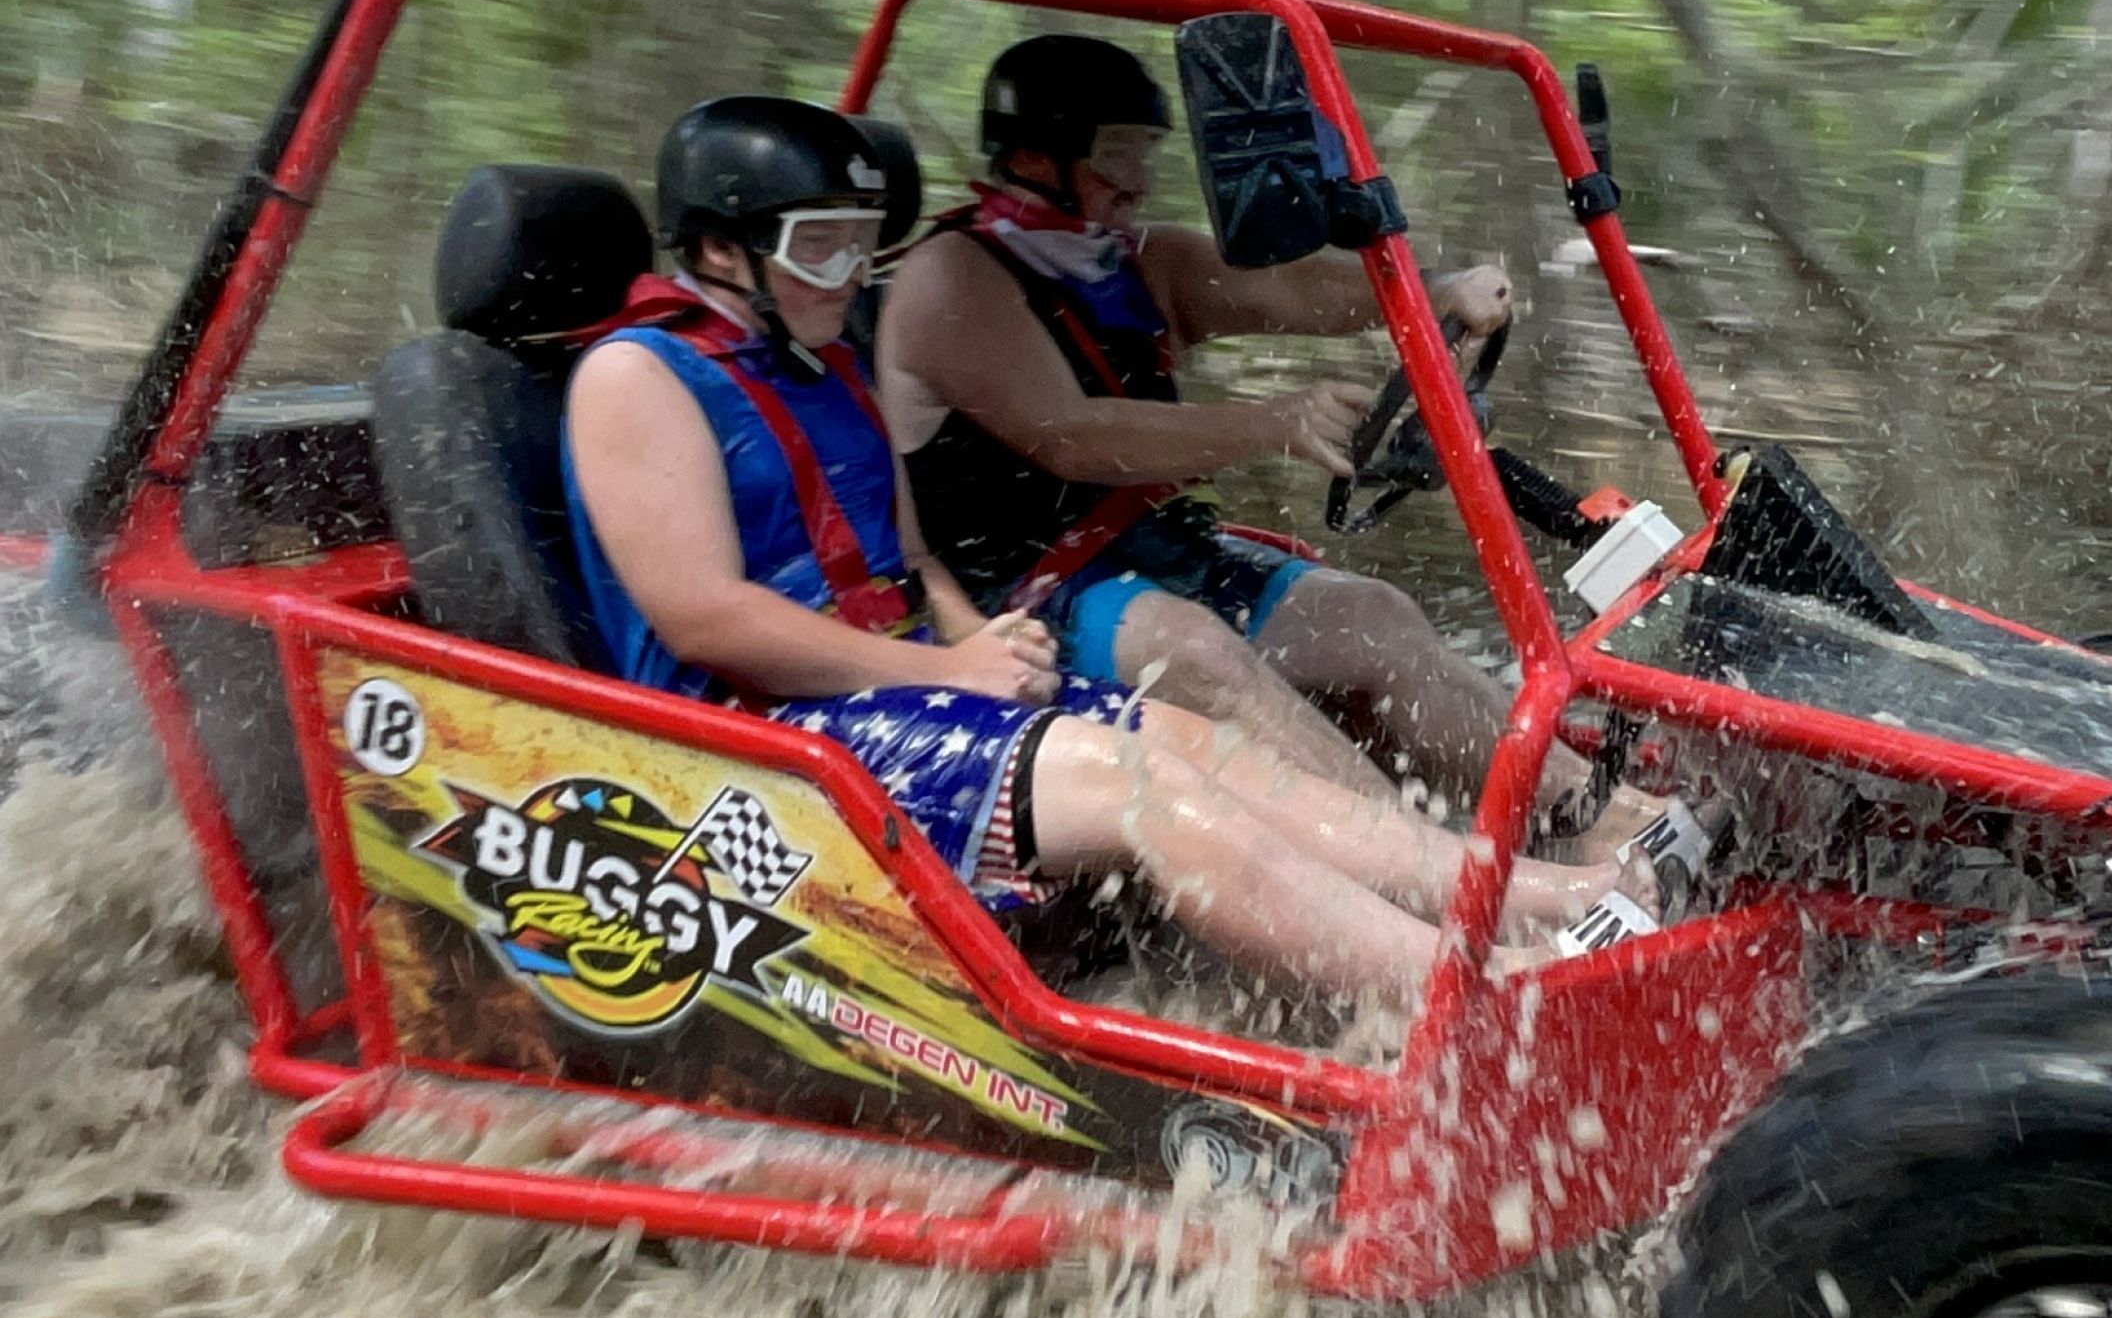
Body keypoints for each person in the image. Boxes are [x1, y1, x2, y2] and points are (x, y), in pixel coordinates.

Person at [561, 94, 1648, 1008]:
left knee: (1195, 744)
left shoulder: (818, 362)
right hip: (747, 748)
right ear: (716, 248)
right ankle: (1479, 988)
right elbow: (703, 616)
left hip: (884, 698)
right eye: (818, 245)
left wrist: (977, 645)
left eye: (859, 238)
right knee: (1138, 784)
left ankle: (1555, 894)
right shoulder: (638, 375)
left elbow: (906, 561)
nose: (848, 272)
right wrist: (944, 671)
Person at [875, 34, 1642, 836]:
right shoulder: (952, 277)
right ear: (1037, 155)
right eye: (1115, 155)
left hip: (1150, 555)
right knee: (1197, 649)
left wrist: (1434, 290)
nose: (1138, 181)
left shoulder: (1133, 261)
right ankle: (1434, 881)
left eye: (1146, 154)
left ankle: (1605, 818)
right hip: (1012, 594)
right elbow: (1071, 435)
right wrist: (1269, 423)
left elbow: (1293, 292)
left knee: (1372, 616)